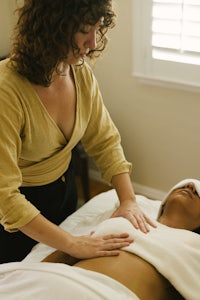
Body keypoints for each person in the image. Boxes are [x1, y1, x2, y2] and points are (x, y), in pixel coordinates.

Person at [0, 0, 155, 264]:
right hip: (18, 219)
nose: (93, 43)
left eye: (98, 29)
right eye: (85, 30)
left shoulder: (79, 72)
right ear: (51, 26)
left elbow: (105, 140)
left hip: (64, 193)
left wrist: (128, 200)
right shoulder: (7, 91)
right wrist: (73, 243)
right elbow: (5, 195)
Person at [43, 179, 200, 300]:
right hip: (61, 281)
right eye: (182, 186)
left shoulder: (195, 245)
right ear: (164, 203)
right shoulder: (127, 218)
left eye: (198, 192)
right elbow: (71, 252)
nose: (190, 186)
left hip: (111, 295)